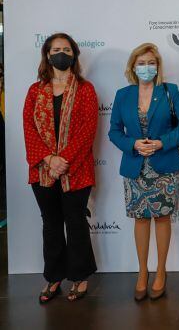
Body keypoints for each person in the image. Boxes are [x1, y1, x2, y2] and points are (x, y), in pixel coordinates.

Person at [109, 43, 179, 301]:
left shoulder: (170, 91)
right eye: (141, 63)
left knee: (163, 219)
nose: (147, 67)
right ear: (133, 67)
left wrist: (162, 143)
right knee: (141, 219)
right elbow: (113, 131)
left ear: (158, 66)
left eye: (151, 63)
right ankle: (142, 272)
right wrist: (132, 144)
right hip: (135, 168)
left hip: (164, 166)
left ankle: (161, 272)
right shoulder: (123, 94)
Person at [23, 33, 98, 303]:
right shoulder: (35, 90)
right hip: (42, 171)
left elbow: (87, 129)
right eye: (56, 49)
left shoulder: (86, 89)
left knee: (76, 223)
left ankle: (80, 277)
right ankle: (54, 277)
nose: (61, 54)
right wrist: (48, 159)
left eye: (66, 49)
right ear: (47, 54)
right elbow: (28, 128)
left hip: (76, 169)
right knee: (51, 225)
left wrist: (63, 160)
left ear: (74, 55)